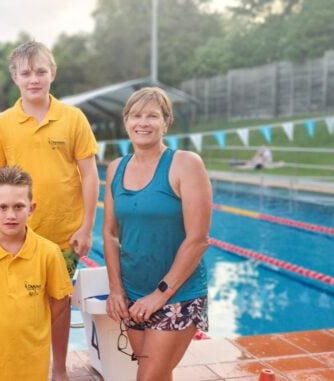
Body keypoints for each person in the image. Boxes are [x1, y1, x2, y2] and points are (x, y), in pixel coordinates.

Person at [0, 40, 99, 380]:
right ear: (15, 77)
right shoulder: (3, 124)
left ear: (53, 73)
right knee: (17, 308)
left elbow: (90, 175)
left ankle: (58, 370)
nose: (34, 79)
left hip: (63, 235)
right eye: (26, 73)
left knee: (58, 306)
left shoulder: (73, 118)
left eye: (41, 71)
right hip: (16, 236)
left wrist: (86, 227)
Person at [103, 87, 211, 380]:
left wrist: (160, 294)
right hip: (134, 294)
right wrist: (116, 289)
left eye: (153, 116)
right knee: (158, 375)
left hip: (177, 292)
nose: (143, 123)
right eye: (136, 115)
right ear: (126, 121)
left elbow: (198, 238)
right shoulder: (116, 168)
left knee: (147, 377)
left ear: (166, 122)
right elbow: (110, 233)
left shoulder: (186, 164)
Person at [0, 166, 72, 380]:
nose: (11, 215)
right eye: (3, 207)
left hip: (33, 358)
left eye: (19, 206)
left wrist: (37, 327)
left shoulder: (48, 253)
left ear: (31, 208)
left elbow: (61, 299)